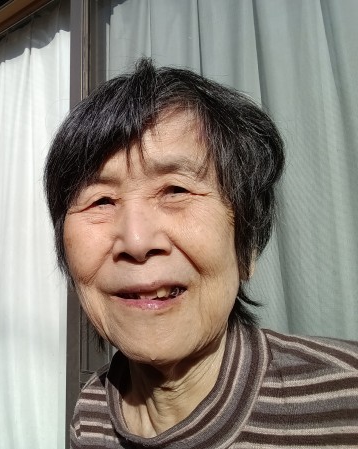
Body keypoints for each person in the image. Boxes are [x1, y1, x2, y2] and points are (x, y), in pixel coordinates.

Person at [44, 58, 358, 448]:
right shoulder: (91, 414)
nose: (137, 241)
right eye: (101, 201)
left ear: (247, 245)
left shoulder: (345, 401)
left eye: (176, 190)